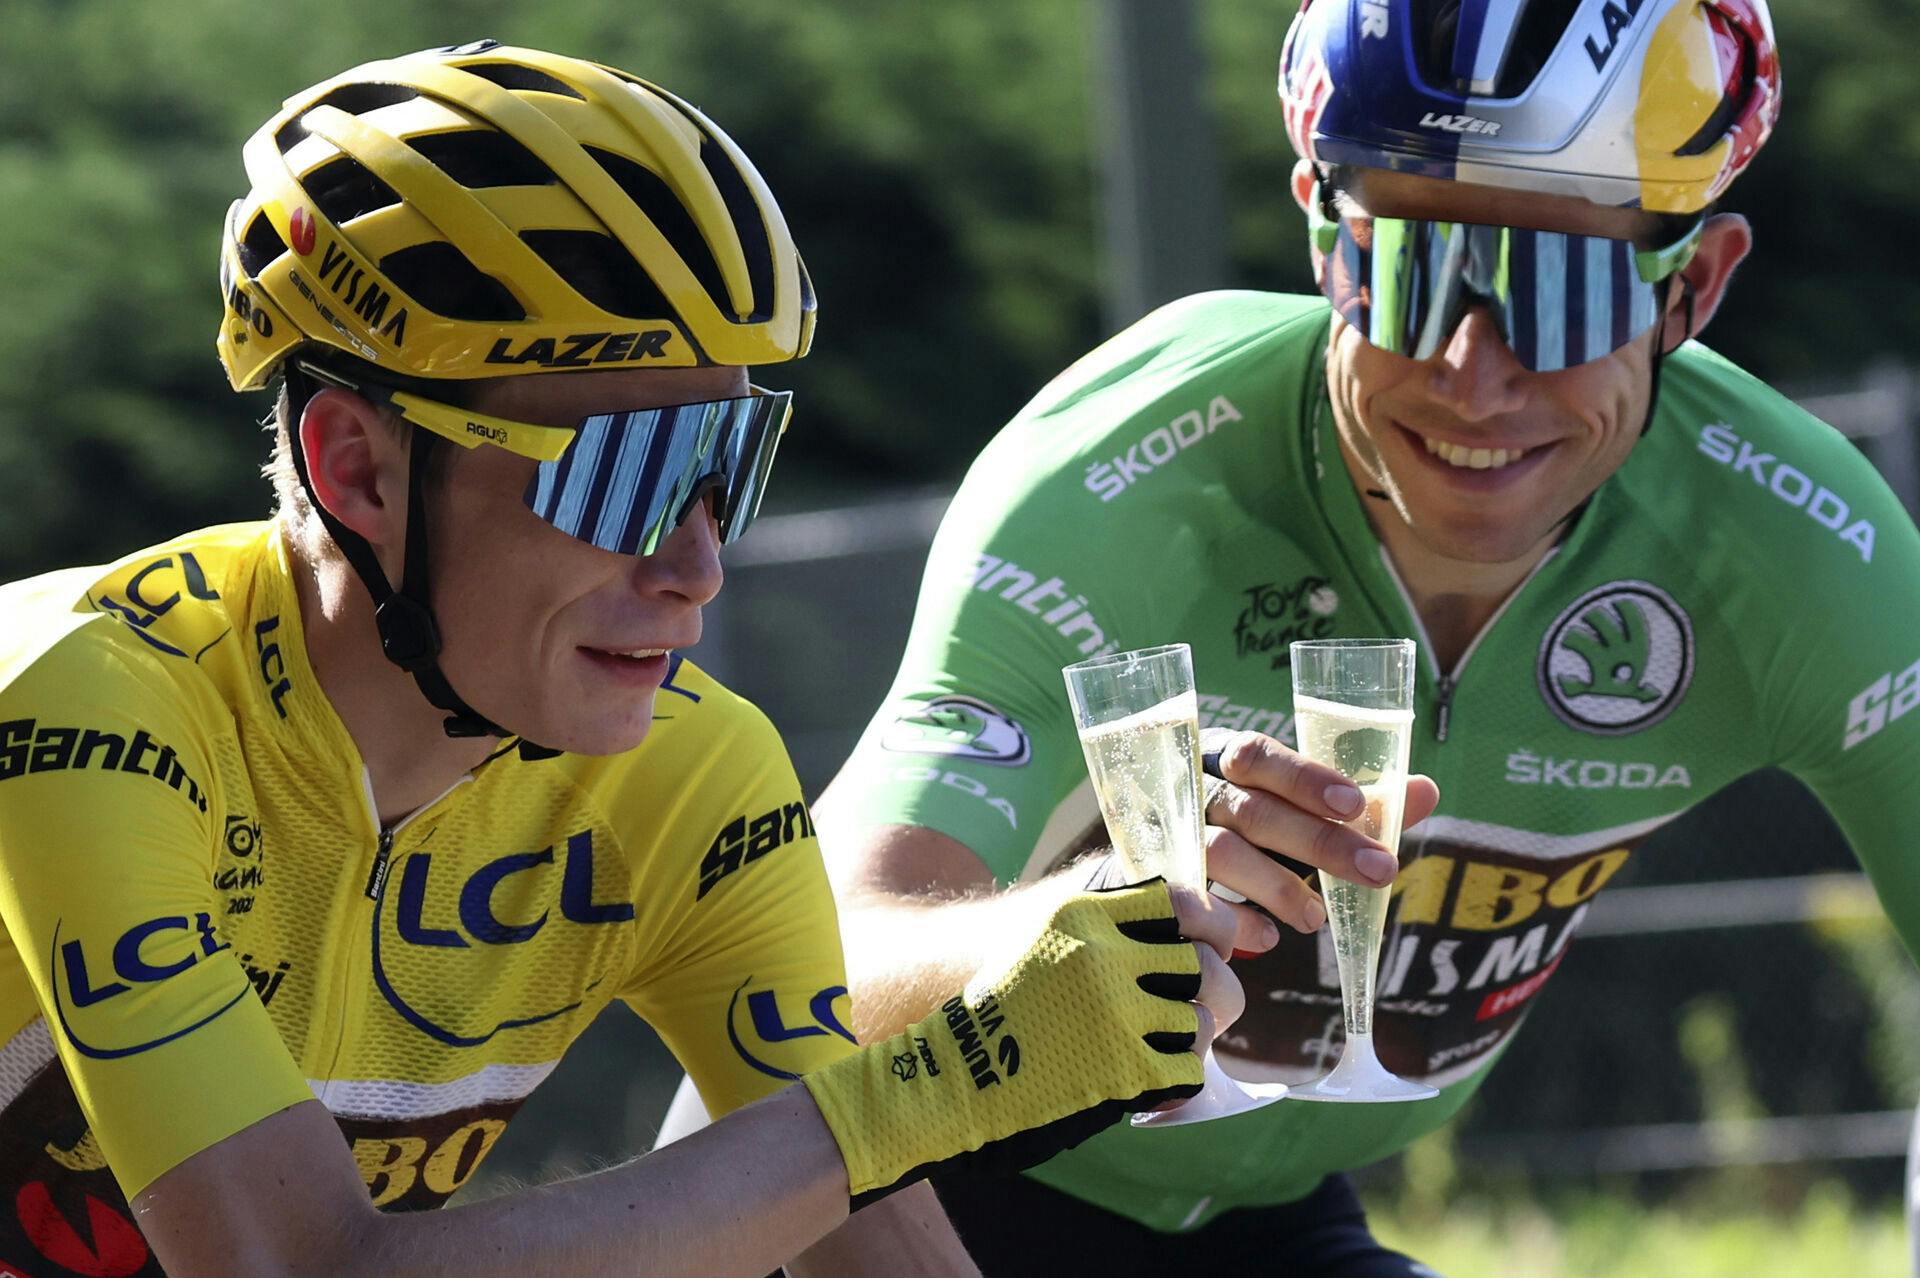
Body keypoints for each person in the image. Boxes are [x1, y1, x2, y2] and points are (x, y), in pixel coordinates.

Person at [0, 41, 1248, 1278]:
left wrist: (937, 1095)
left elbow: (874, 1241)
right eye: (631, 473)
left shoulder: (687, 773)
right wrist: (933, 1088)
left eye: (728, 467)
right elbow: (299, 1270)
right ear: (360, 469)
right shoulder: (83, 713)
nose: (698, 566)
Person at [794, 0, 1920, 1271]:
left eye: (1555, 292)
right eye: (1406, 270)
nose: (1469, 371)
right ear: (1326, 244)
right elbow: (811, 968)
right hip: (887, 1184)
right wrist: (1066, 937)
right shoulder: (1124, 473)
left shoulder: (1798, 546)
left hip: (1265, 1220)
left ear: (1695, 289)